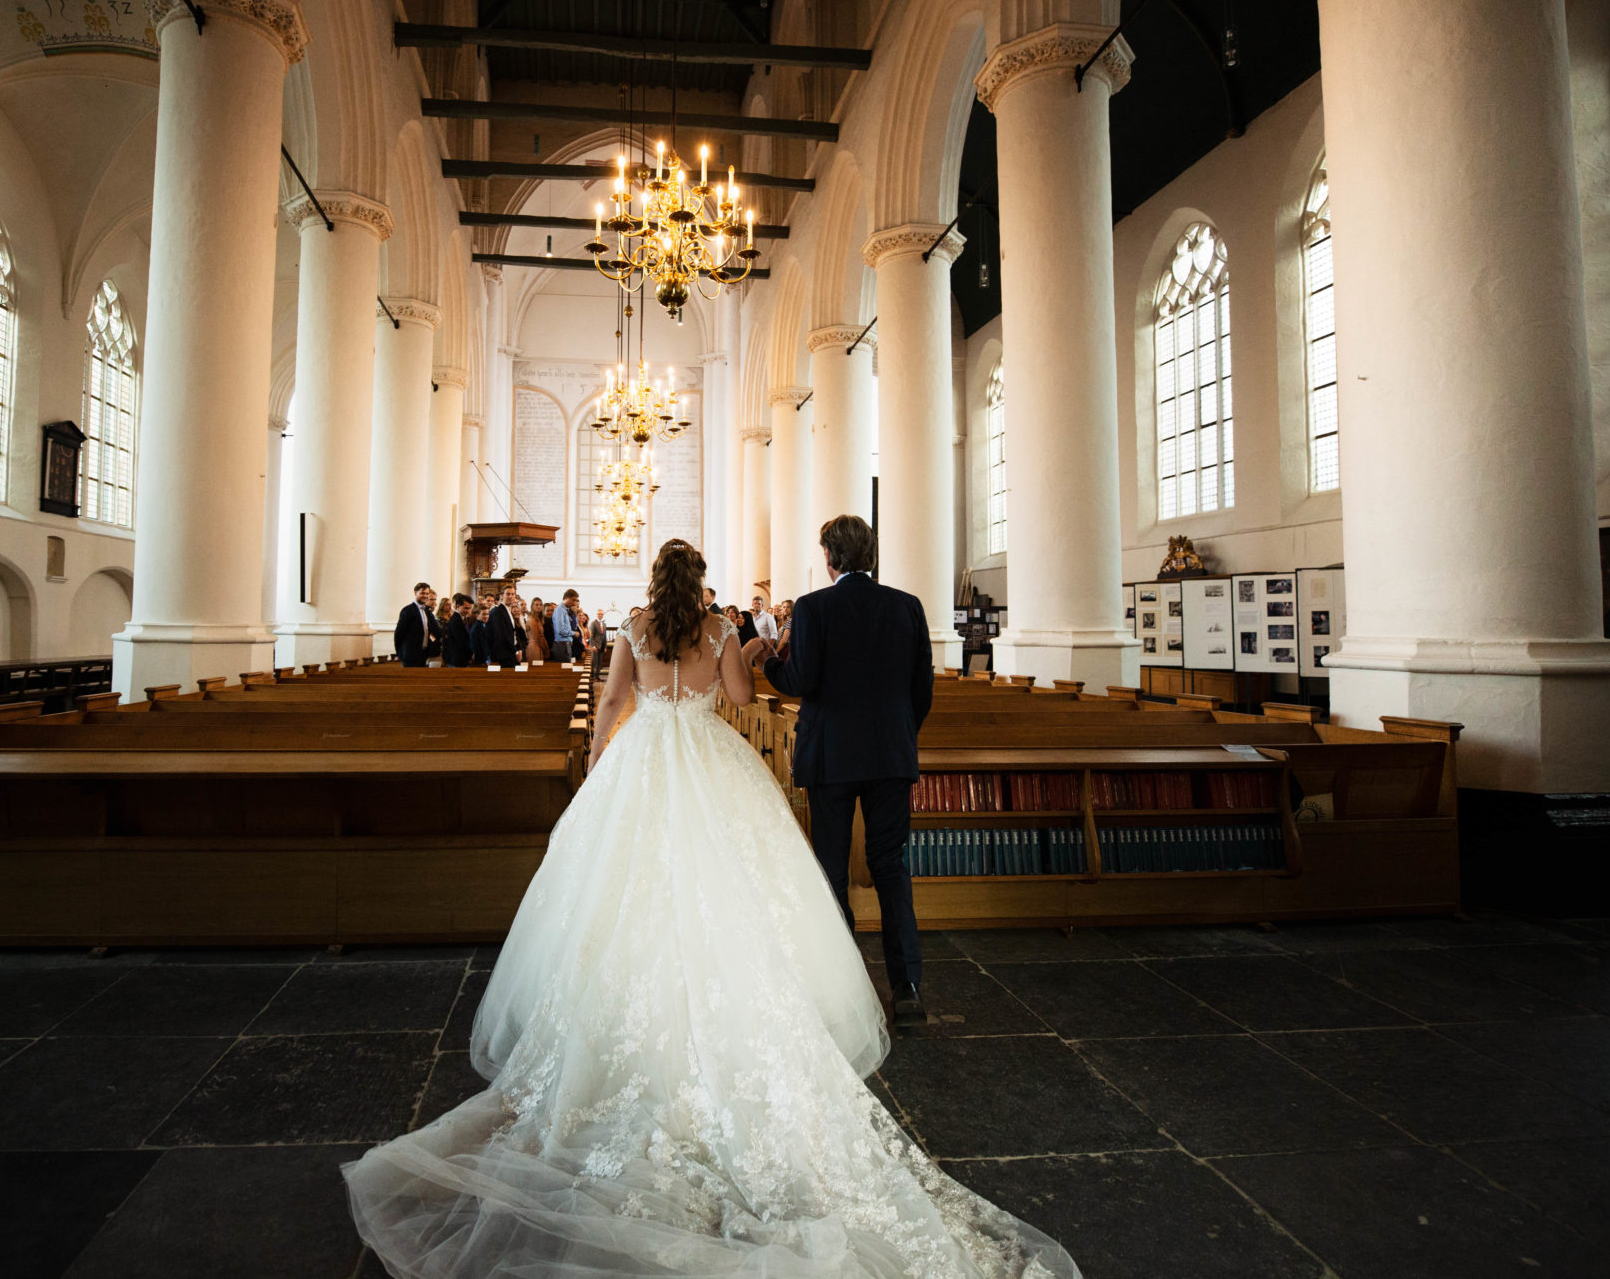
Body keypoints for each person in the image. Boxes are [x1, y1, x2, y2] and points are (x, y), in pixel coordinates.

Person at [343, 538, 1078, 1279]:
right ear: (697, 583)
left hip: (643, 763)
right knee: (732, 893)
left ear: (653, 581)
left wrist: (600, 756)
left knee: (625, 896)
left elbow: (612, 701)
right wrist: (748, 656)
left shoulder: (631, 627)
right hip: (707, 759)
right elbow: (741, 700)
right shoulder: (721, 629)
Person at [765, 515, 933, 1029]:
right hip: (889, 756)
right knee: (890, 866)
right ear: (871, 555)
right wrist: (901, 734)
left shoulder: (814, 607)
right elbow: (920, 687)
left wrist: (770, 660)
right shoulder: (907, 606)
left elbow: (799, 679)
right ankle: (906, 990)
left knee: (832, 869)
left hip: (832, 757)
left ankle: (842, 988)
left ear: (830, 557)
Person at [394, 583, 440, 668]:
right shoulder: (408, 610)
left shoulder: (427, 611)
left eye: (426, 593)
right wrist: (398, 652)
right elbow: (399, 633)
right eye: (422, 593)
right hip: (410, 653)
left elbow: (435, 630)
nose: (425, 596)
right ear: (415, 593)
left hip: (423, 653)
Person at [484, 593, 517, 669]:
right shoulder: (497, 611)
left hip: (508, 652)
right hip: (502, 654)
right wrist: (515, 651)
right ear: (502, 596)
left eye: (513, 594)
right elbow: (502, 635)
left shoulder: (508, 610)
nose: (511, 597)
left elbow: (513, 632)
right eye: (508, 594)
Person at [441, 594, 475, 668]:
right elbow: (461, 641)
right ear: (458, 606)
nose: (468, 611)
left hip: (461, 658)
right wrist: (471, 653)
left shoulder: (463, 618)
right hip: (456, 659)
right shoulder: (456, 620)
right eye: (466, 608)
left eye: (470, 608)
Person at [549, 588, 581, 662]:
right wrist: (574, 633)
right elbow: (560, 631)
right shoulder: (559, 610)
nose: (574, 602)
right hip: (562, 645)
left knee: (568, 668)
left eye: (576, 600)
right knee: (565, 670)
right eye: (573, 600)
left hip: (565, 644)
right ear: (566, 598)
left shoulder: (565, 610)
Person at [524, 597, 550, 661]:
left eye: (541, 605)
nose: (539, 606)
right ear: (532, 606)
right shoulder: (532, 619)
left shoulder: (538, 619)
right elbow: (537, 638)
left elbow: (542, 636)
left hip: (539, 646)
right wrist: (545, 650)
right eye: (536, 605)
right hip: (534, 647)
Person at [469, 594, 492, 665]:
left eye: (487, 614)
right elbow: (476, 646)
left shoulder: (483, 625)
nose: (486, 616)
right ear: (477, 615)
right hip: (480, 660)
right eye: (483, 614)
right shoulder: (477, 627)